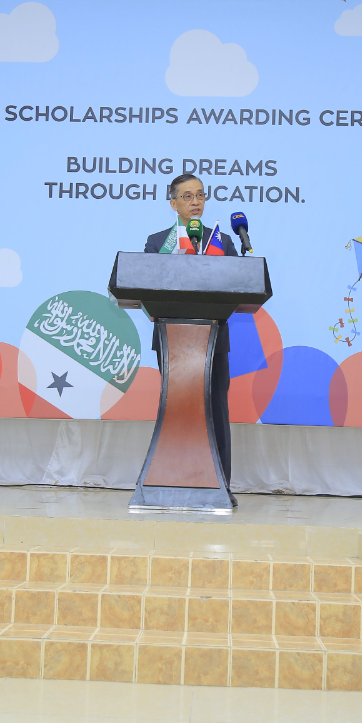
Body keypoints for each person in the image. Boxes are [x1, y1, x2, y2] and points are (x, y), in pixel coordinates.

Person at [144, 174, 238, 505]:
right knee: (178, 412)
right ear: (173, 203)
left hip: (213, 339)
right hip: (173, 341)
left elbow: (239, 283)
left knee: (216, 411)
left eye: (200, 195)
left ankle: (221, 485)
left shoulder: (222, 241)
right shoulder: (157, 243)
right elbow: (144, 284)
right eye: (187, 196)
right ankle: (171, 482)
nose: (195, 201)